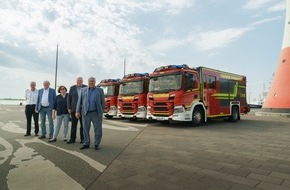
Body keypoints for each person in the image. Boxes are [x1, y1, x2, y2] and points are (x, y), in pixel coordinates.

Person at [76, 77, 105, 150]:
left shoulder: (100, 90)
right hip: (86, 113)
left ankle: (96, 144)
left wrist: (101, 111)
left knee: (98, 130)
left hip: (96, 113)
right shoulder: (83, 90)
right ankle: (86, 143)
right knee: (85, 129)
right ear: (88, 82)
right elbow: (79, 102)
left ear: (95, 82)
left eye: (92, 81)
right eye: (90, 81)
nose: (91, 82)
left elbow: (103, 102)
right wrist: (77, 111)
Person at [67, 77, 87, 144]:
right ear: (76, 81)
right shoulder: (72, 88)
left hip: (83, 110)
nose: (79, 81)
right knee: (73, 125)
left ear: (82, 81)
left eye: (80, 80)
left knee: (83, 125)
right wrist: (69, 108)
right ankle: (72, 139)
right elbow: (69, 98)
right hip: (74, 109)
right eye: (78, 80)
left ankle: (83, 139)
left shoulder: (86, 87)